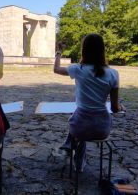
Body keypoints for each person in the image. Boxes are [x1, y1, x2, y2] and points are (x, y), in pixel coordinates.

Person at [53, 33, 124, 171]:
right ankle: (76, 159)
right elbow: (115, 108)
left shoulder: (77, 69)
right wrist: (121, 106)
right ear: (102, 50)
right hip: (101, 129)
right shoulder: (113, 73)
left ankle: (73, 154)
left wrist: (59, 52)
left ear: (84, 50)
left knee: (77, 121)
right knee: (81, 120)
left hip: (79, 127)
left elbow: (56, 69)